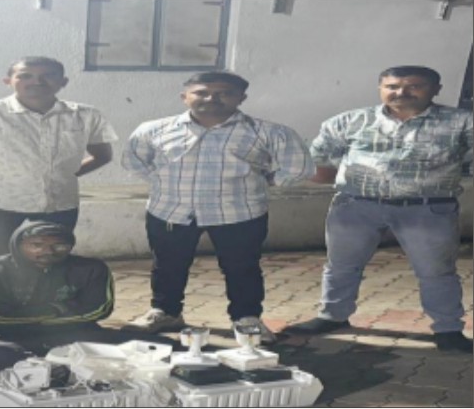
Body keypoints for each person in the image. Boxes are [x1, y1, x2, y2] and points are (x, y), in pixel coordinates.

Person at [285, 66, 473, 353]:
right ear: (381, 88)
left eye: (414, 86)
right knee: (341, 266)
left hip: (427, 210)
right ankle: (332, 316)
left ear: (435, 89)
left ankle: (448, 329)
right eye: (392, 86)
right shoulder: (350, 121)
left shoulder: (462, 123)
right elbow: (316, 162)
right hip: (355, 207)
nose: (401, 92)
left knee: (436, 272)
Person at [121, 71, 315, 341]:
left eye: (224, 93)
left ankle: (246, 318)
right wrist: (164, 181)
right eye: (201, 92)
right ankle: (165, 312)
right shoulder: (153, 130)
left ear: (241, 98)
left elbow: (299, 167)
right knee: (167, 265)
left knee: (242, 268)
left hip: (239, 212)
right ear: (184, 96)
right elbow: (134, 162)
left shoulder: (268, 132)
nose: (211, 98)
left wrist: (268, 180)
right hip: (170, 210)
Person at [0, 56, 117, 343]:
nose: (37, 82)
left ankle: (51, 316)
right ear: (8, 80)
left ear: (62, 82)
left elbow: (103, 155)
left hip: (58, 205)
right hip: (0, 205)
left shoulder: (84, 115)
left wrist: (67, 175)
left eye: (47, 75)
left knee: (53, 259)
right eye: (26, 75)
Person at [0, 221, 118, 374]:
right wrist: (59, 308)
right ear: (17, 245)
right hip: (8, 337)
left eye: (60, 246)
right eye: (36, 245)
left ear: (70, 246)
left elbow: (100, 310)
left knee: (129, 341)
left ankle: (46, 368)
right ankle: (49, 370)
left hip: (69, 334)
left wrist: (24, 314)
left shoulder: (91, 268)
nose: (48, 252)